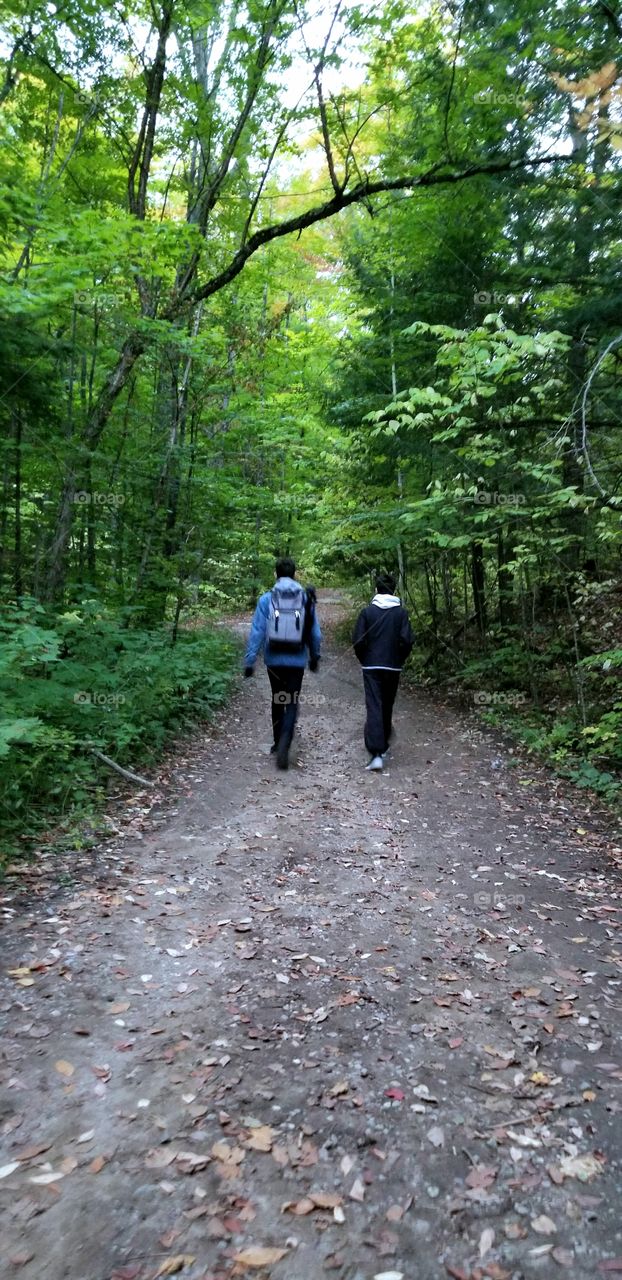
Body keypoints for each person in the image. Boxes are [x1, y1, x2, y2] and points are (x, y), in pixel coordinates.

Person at [244, 558, 322, 770]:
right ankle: (286, 738)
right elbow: (315, 633)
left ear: (276, 574)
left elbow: (257, 632)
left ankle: (279, 743)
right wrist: (315, 656)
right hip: (296, 660)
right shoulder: (305, 598)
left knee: (277, 698)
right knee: (292, 700)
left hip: (274, 660)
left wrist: (250, 661)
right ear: (295, 574)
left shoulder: (266, 599)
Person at [352, 571, 414, 772]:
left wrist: (365, 659)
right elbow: (407, 640)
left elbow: (358, 640)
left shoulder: (367, 612)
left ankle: (376, 752)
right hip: (393, 666)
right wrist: (400, 658)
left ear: (376, 589)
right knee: (387, 704)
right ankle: (383, 744)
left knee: (374, 705)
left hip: (371, 666)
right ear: (393, 589)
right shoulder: (401, 614)